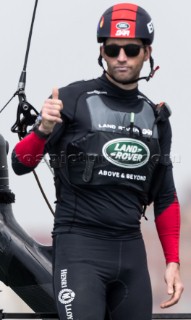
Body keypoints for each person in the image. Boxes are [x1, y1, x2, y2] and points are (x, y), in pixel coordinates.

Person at [11, 3, 184, 320]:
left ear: (147, 53)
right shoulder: (71, 100)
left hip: (131, 255)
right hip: (80, 251)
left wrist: (173, 261)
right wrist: (42, 131)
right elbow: (20, 164)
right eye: (113, 48)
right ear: (102, 51)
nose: (121, 57)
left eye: (131, 49)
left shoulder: (157, 118)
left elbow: (166, 197)